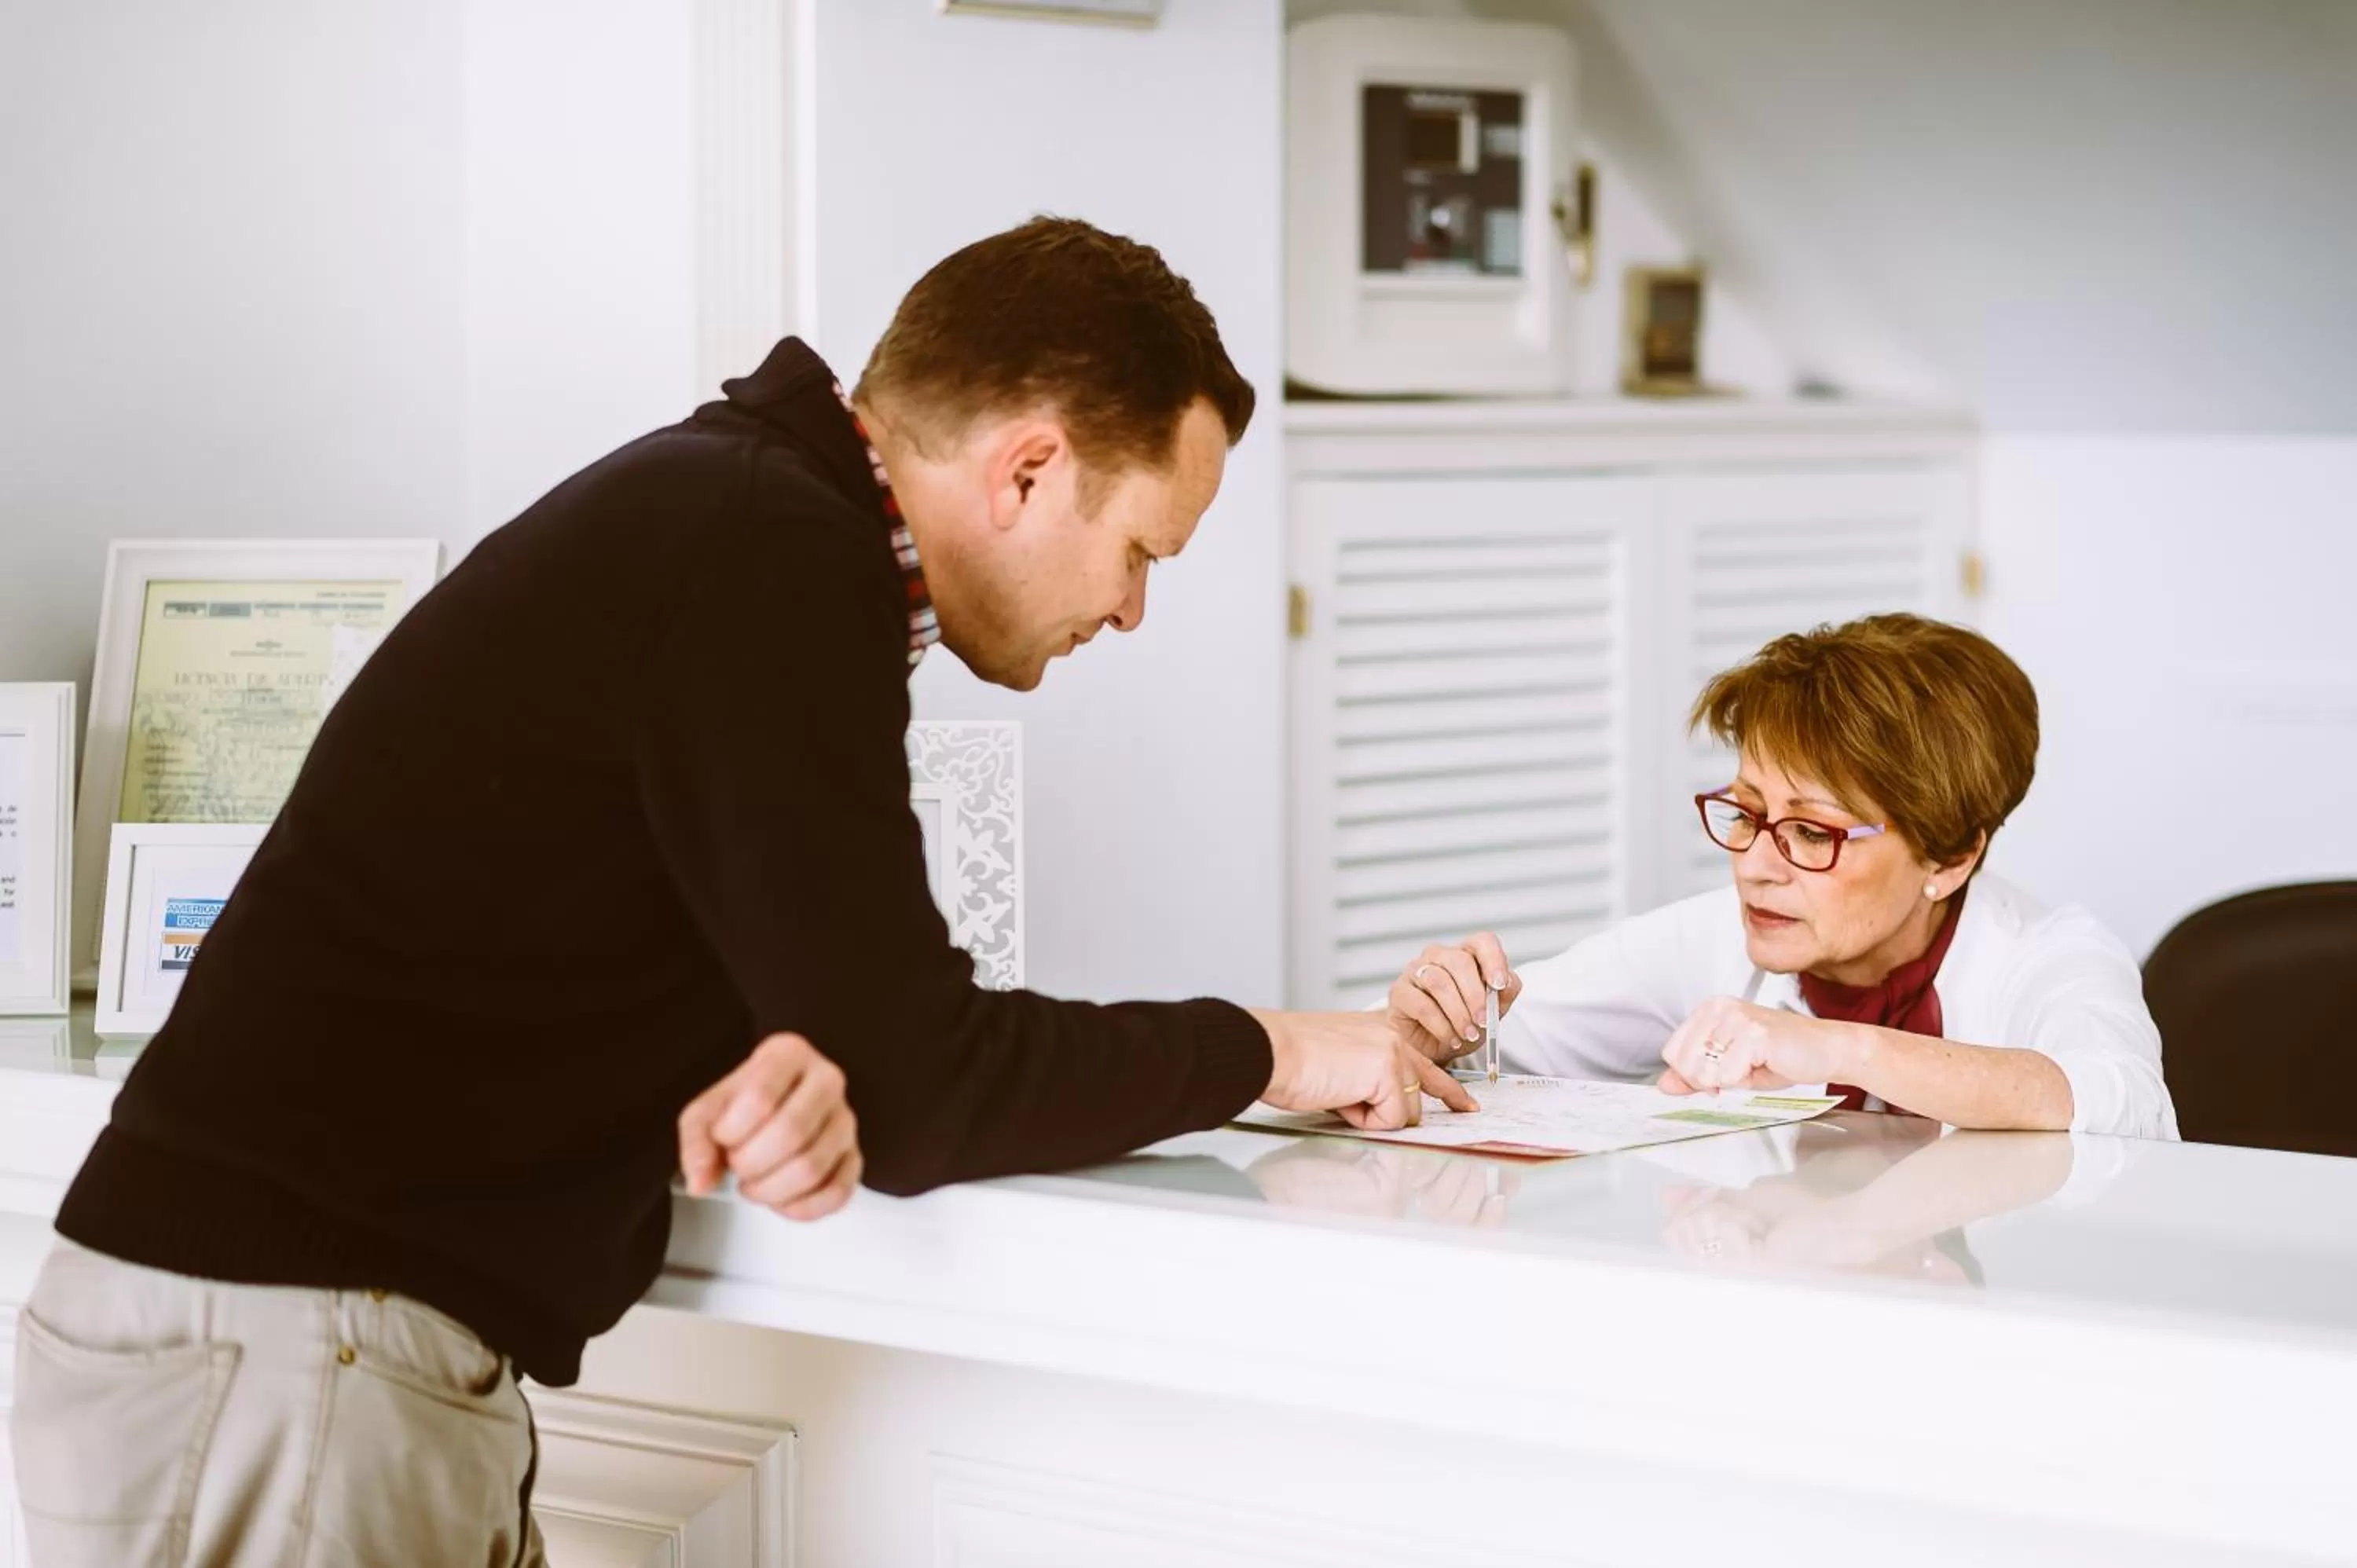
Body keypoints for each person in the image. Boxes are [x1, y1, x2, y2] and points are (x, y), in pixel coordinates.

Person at [12, 217, 1469, 1568]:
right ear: (1027, 470)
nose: (1134, 608)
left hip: (282, 1350)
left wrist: (768, 1065)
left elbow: (746, 996)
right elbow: (923, 1087)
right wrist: (1276, 1048)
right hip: (292, 1360)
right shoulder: (775, 554)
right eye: (1142, 548)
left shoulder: (737, 513)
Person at [1387, 613, 2178, 1141]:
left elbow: (2123, 1106)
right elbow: (1494, 1037)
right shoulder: (1718, 934)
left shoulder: (2051, 955)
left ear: (1952, 857)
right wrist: (1432, 1026)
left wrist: (1832, 1049)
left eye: (1812, 832)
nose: (1755, 865)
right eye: (1746, 811)